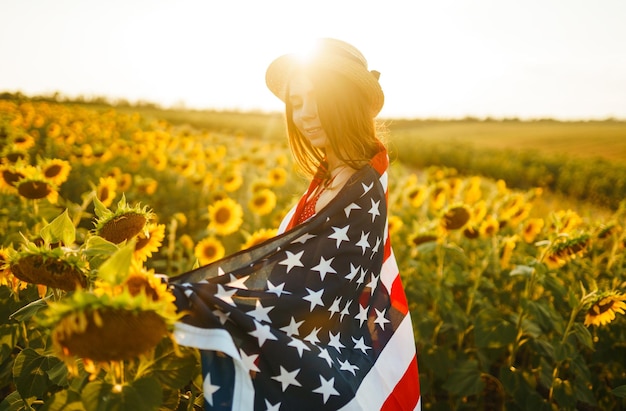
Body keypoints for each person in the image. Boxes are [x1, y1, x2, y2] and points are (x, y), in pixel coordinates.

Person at [169, 38, 421, 411]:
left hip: (320, 375)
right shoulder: (330, 178)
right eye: (297, 102)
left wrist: (198, 296)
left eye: (318, 98)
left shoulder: (360, 191)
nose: (304, 114)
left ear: (347, 100)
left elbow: (314, 297)